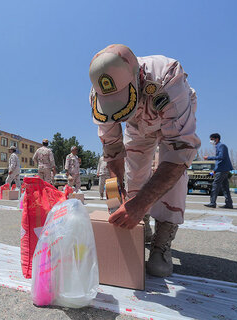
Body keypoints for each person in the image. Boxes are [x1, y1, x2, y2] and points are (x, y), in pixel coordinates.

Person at [89, 44, 200, 277]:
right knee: (134, 175)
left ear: (138, 78)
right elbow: (112, 146)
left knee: (174, 178)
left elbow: (180, 152)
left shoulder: (168, 78)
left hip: (171, 116)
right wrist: (117, 191)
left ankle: (161, 245)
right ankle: (142, 229)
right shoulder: (99, 94)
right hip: (137, 124)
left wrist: (139, 205)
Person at [204, 133, 234, 209]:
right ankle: (229, 203)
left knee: (215, 185)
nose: (211, 141)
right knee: (225, 187)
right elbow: (219, 161)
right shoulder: (218, 146)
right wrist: (214, 171)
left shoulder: (221, 146)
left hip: (222, 169)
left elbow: (221, 157)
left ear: (216, 139)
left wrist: (208, 158)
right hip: (222, 169)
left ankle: (212, 202)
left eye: (211, 139)